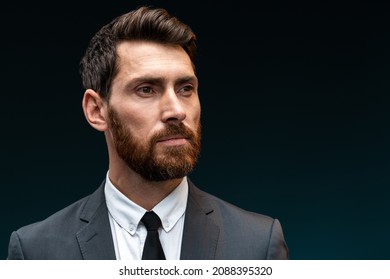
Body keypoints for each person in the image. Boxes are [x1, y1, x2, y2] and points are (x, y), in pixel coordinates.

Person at [7, 6, 289, 260]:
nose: (176, 110)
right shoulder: (35, 252)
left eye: (185, 89)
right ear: (96, 110)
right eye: (146, 89)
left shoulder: (258, 245)